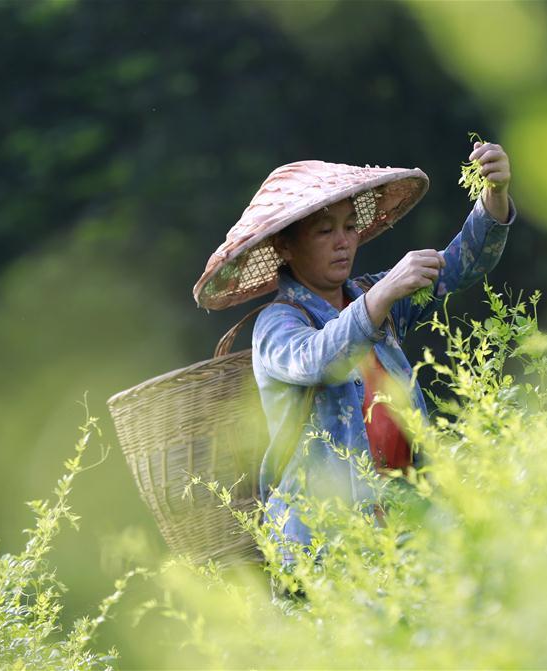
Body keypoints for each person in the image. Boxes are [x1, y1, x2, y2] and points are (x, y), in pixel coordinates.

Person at [196, 143, 515, 572]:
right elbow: (319, 360)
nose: (343, 242)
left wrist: (494, 195)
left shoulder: (368, 294)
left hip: (407, 524)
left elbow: (460, 266)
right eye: (325, 231)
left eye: (349, 227)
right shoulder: (276, 324)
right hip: (323, 545)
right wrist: (385, 293)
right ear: (286, 248)